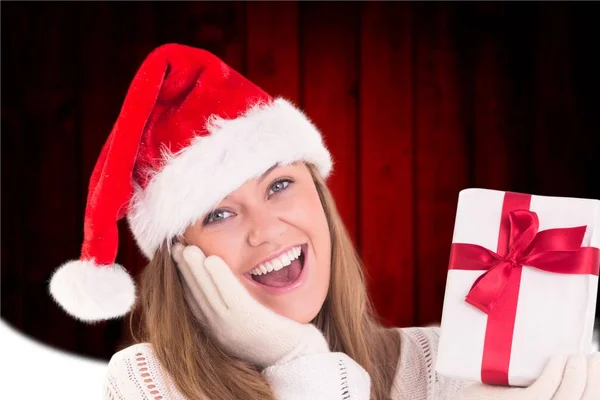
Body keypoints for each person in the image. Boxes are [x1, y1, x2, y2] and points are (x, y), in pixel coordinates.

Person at [48, 43, 599, 400]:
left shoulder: (439, 365)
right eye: (218, 213)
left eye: (279, 185)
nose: (265, 229)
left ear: (320, 198)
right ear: (182, 259)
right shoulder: (145, 384)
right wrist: (295, 361)